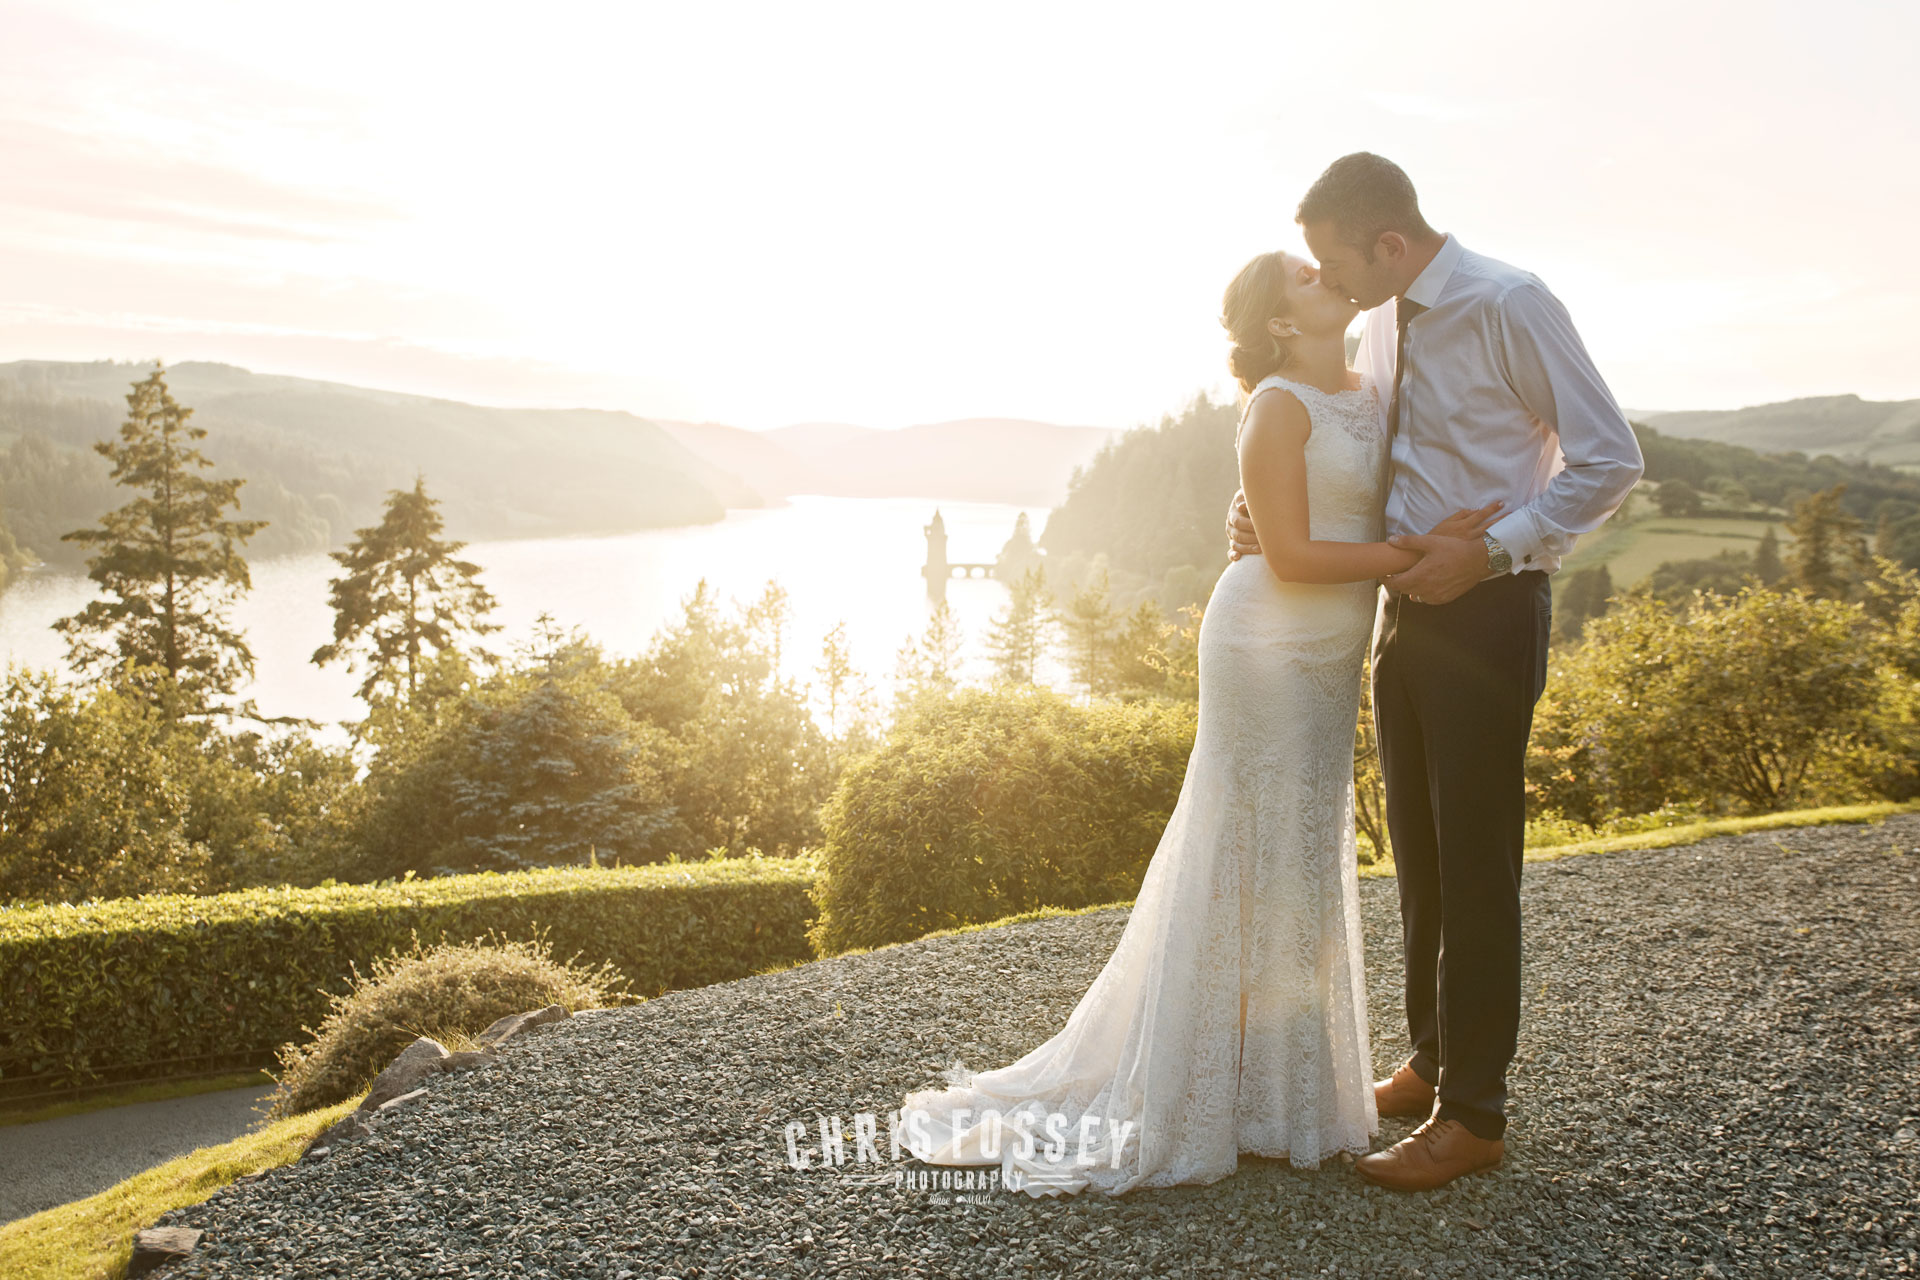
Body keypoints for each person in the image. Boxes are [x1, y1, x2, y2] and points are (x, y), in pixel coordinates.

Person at [897, 247, 1502, 1197]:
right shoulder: (1276, 405)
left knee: (1301, 854)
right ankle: (1208, 1085)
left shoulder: (1371, 387)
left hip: (1331, 653)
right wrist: (1414, 554)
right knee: (1243, 850)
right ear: (1280, 322)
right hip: (1264, 644)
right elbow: (1291, 557)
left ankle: (1279, 1087)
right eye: (1305, 275)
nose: (1327, 273)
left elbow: (1359, 493)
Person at [1227, 153, 1645, 1191]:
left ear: (1390, 244)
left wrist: (1492, 551)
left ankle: (1475, 1115)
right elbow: (1361, 450)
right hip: (1399, 615)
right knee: (1419, 855)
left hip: (1489, 612)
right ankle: (1430, 1061)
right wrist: (1263, 515)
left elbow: (1610, 458)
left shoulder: (1510, 303)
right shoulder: (1379, 317)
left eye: (1334, 263)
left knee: (1476, 865)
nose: (1329, 281)